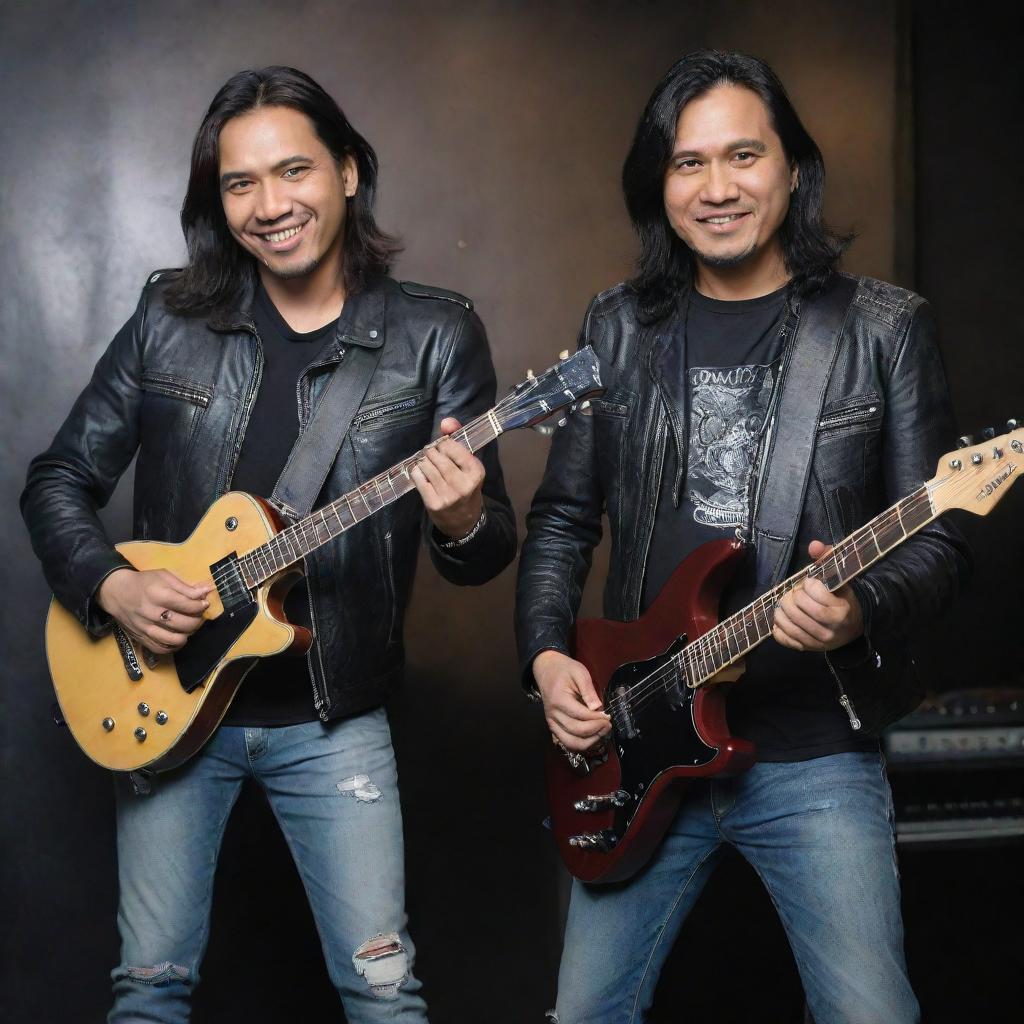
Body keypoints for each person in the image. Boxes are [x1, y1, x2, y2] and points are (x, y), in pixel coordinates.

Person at [22, 65, 516, 1022]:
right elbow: (59, 481)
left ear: (347, 173)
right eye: (239, 183)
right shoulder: (169, 317)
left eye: (293, 172)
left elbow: (486, 546)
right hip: (164, 705)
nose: (269, 205)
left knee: (383, 994)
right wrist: (109, 589)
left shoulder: (431, 334)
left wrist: (459, 518)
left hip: (334, 723)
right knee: (149, 991)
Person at [515, 50, 970, 1024]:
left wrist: (860, 609)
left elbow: (939, 543)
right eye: (688, 164)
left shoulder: (883, 329)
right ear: (658, 185)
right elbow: (561, 515)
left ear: (793, 169)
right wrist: (549, 657)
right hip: (639, 741)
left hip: (812, 755)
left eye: (743, 156)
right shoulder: (618, 326)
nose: (717, 188)